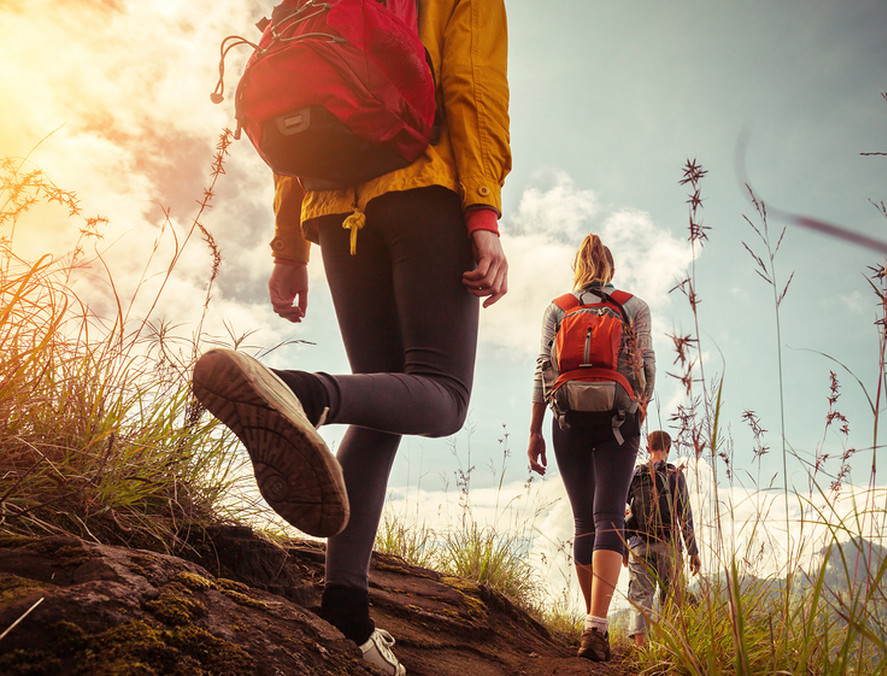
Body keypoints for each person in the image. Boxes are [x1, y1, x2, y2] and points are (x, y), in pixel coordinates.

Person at [191, 1, 510, 674]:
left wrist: (289, 245)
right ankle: (297, 393)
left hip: (333, 208)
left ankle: (345, 606)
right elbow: (473, 90)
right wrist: (482, 208)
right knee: (443, 396)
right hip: (423, 190)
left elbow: (292, 118)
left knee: (378, 405)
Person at [526, 233, 656, 662]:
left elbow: (542, 370)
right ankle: (597, 625)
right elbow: (647, 366)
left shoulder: (558, 308)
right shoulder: (633, 306)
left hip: (567, 421)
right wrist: (638, 410)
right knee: (609, 516)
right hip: (620, 420)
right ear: (611, 270)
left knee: (585, 520)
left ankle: (591, 623)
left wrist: (536, 430)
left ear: (577, 270)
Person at [624, 430, 700, 646]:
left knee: (641, 598)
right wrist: (693, 551)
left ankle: (642, 650)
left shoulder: (634, 474)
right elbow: (685, 514)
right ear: (669, 448)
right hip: (669, 545)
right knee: (672, 598)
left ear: (647, 448)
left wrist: (623, 546)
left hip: (638, 545)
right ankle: (669, 649)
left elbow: (625, 510)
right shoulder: (675, 474)